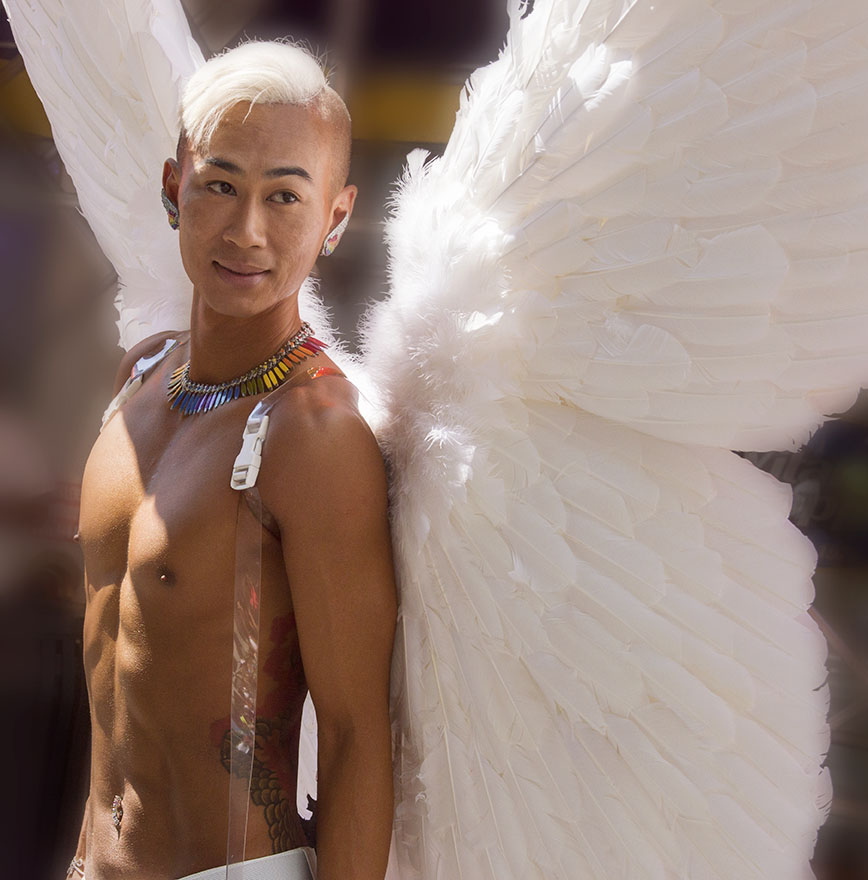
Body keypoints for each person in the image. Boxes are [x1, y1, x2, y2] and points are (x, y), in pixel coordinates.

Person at [69, 42, 397, 880]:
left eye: (284, 196)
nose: (246, 231)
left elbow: (357, 736)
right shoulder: (142, 376)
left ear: (335, 218)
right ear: (173, 187)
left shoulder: (315, 437)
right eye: (220, 185)